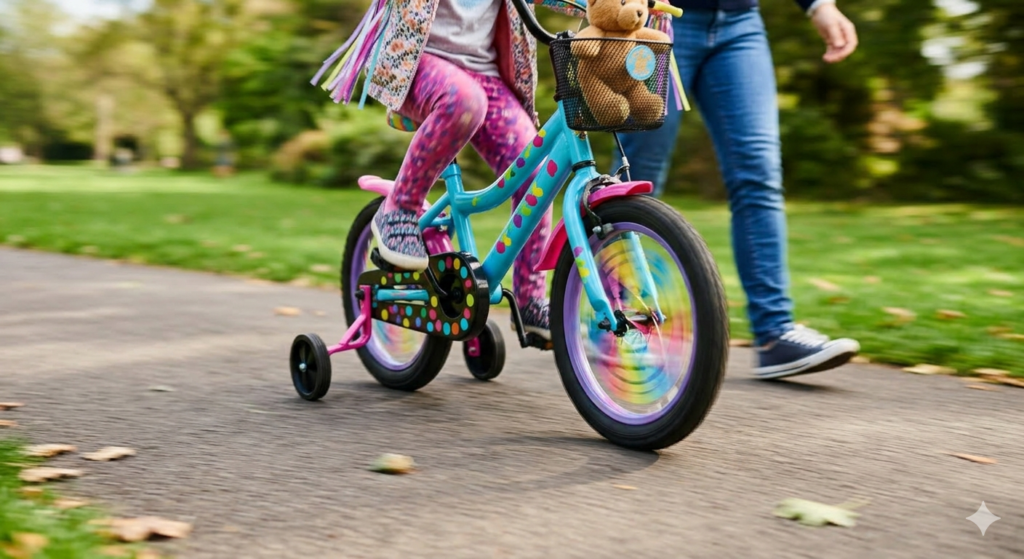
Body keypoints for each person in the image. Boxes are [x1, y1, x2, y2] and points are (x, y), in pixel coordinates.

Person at [616, 0, 861, 379]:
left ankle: (775, 334)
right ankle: (623, 324)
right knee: (638, 178)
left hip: (740, 24)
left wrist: (819, 6)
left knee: (758, 175)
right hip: (656, 18)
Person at [315, 0, 585, 341]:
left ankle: (530, 301)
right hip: (420, 65)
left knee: (538, 174)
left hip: (486, 75)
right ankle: (399, 209)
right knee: (464, 100)